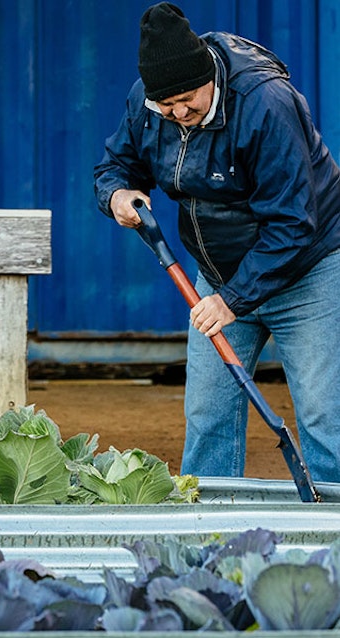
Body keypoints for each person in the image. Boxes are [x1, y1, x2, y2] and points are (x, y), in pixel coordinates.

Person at [94, 2, 340, 481]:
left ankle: (332, 530)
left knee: (321, 414)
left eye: (190, 99)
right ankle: (203, 535)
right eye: (169, 106)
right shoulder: (148, 104)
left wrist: (230, 301)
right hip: (221, 274)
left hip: (307, 271)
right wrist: (117, 195)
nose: (180, 113)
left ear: (210, 75)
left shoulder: (265, 104)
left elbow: (293, 224)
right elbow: (115, 165)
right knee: (208, 415)